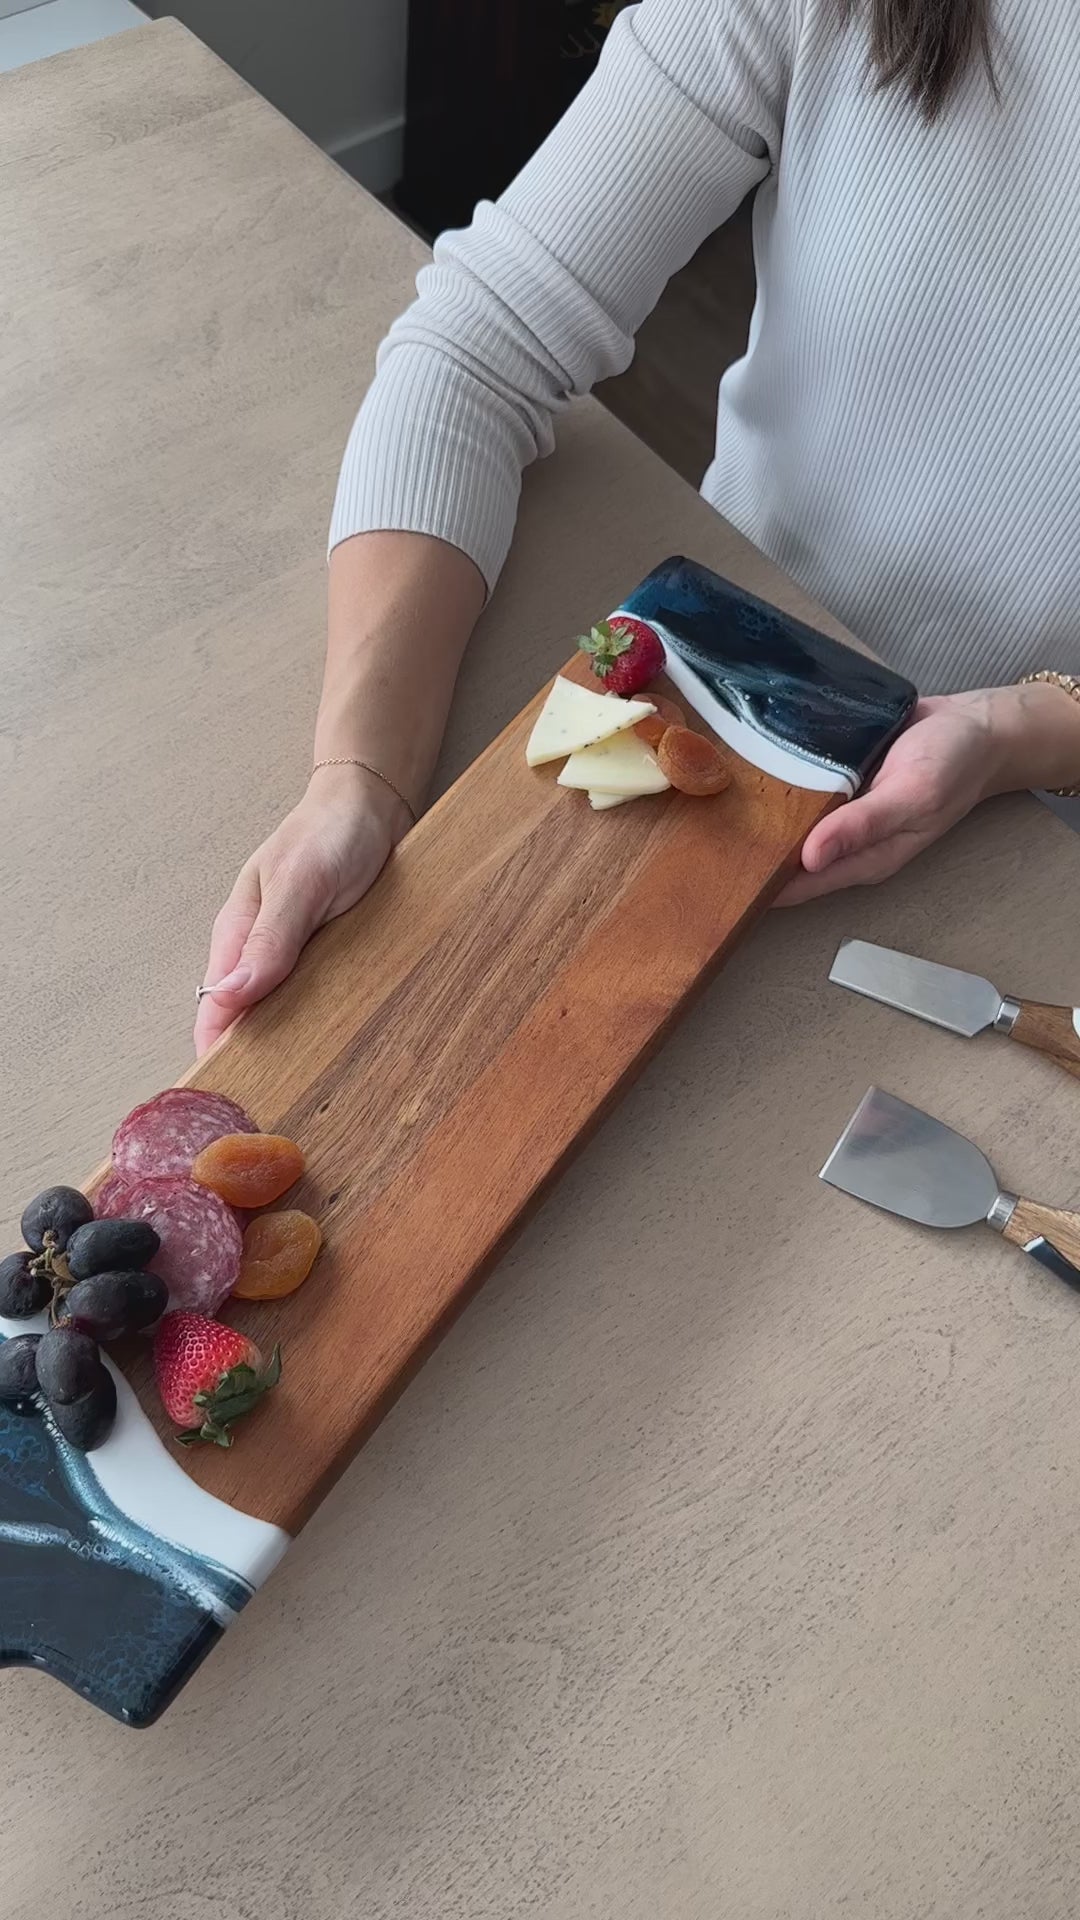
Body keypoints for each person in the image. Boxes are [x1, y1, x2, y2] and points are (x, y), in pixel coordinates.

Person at [196, 0, 1080, 1056]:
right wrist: (360, 781)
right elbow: (481, 345)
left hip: (1030, 842)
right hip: (713, 677)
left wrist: (1028, 731)